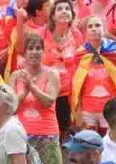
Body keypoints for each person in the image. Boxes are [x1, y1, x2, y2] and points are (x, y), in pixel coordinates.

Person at [10, 33, 66, 164]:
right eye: (30, 48)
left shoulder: (51, 74)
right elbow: (11, 107)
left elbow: (49, 100)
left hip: (48, 134)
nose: (34, 52)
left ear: (43, 51)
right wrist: (23, 92)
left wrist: (32, 88)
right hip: (24, 136)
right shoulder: (15, 76)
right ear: (24, 53)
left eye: (38, 48)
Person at [71, 16, 116, 133]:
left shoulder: (115, 52)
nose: (94, 29)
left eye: (98, 25)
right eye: (90, 26)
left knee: (109, 142)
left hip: (110, 107)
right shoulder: (80, 54)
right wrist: (78, 111)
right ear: (85, 32)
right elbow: (75, 85)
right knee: (87, 142)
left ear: (104, 29)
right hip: (87, 109)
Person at [40, 0, 83, 141]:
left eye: (67, 9)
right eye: (59, 9)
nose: (64, 11)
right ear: (53, 16)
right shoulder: (42, 34)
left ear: (72, 15)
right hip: (47, 90)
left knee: (64, 129)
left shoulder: (76, 35)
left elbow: (82, 61)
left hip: (68, 91)